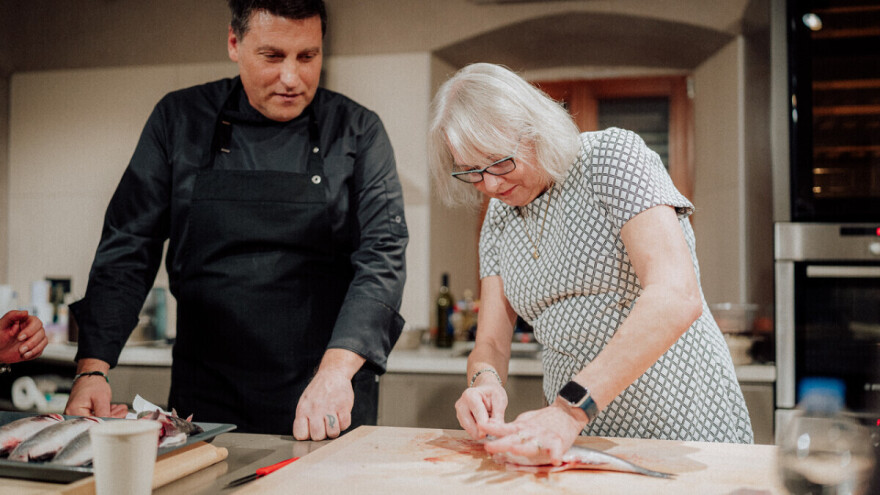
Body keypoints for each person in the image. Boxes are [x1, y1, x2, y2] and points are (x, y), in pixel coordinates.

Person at [64, 0, 408, 440]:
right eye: (272, 56)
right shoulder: (179, 119)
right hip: (206, 396)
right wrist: (92, 368)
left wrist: (337, 372)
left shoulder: (358, 130)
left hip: (326, 392)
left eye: (308, 57)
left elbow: (383, 256)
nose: (291, 77)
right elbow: (129, 244)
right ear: (234, 42)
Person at [428, 63, 753, 466]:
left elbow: (675, 296)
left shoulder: (610, 159)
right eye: (473, 172)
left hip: (682, 428)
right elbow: (492, 342)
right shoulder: (498, 216)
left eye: (499, 162)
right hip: (580, 441)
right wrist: (484, 383)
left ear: (534, 130)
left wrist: (569, 410)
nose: (491, 185)